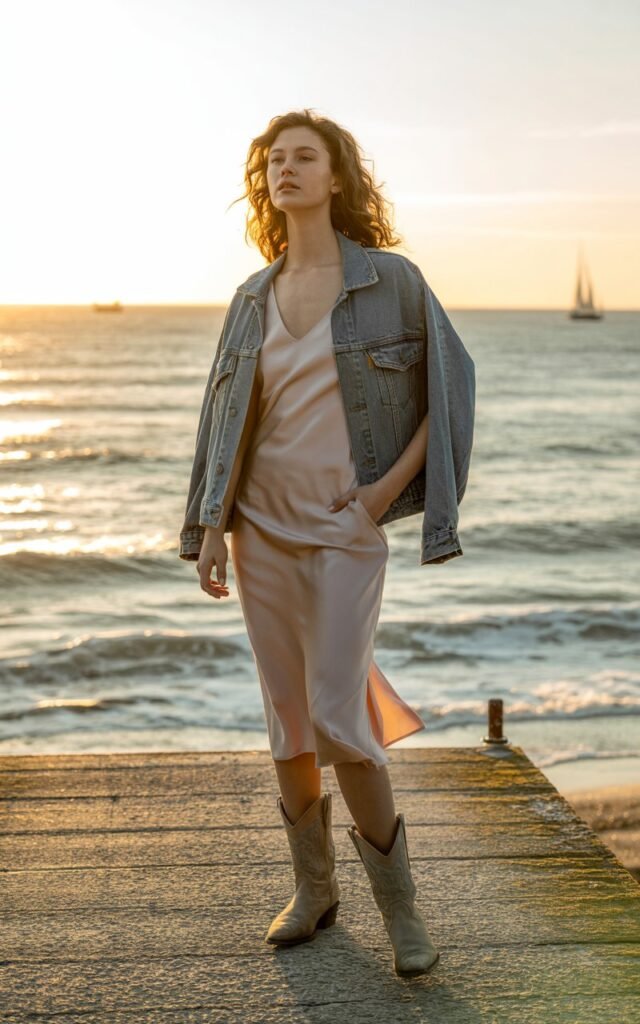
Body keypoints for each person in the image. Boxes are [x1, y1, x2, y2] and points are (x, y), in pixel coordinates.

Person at [179, 109, 475, 977]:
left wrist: (384, 493)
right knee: (288, 718)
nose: (286, 170)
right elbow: (220, 421)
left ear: (337, 176)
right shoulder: (249, 298)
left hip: (344, 534)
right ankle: (314, 890)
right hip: (260, 532)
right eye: (274, 161)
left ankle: (402, 912)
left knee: (341, 715)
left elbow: (449, 391)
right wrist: (208, 529)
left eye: (304, 158)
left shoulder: (392, 282)